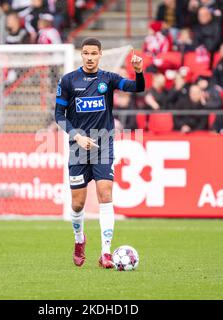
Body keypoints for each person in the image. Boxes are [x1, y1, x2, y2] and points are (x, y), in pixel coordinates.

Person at [54, 38, 144, 268]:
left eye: (94, 53)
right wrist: (77, 136)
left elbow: (137, 87)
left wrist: (139, 72)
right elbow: (59, 115)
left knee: (105, 195)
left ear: (101, 54)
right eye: (86, 53)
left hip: (103, 144)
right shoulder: (68, 80)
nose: (90, 57)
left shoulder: (109, 79)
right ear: (81, 55)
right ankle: (79, 239)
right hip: (78, 147)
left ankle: (106, 252)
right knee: (77, 204)